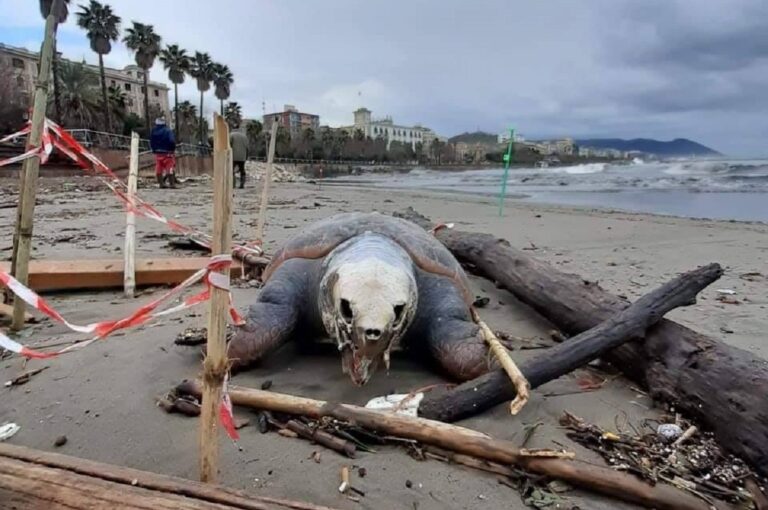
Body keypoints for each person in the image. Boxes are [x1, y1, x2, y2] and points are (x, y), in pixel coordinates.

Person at [150, 117, 177, 189]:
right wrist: (172, 149)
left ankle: (161, 184)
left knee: (159, 168)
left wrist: (154, 149)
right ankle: (172, 184)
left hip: (158, 152)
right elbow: (172, 141)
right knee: (170, 167)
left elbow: (151, 141)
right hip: (168, 152)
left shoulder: (153, 131)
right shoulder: (168, 131)